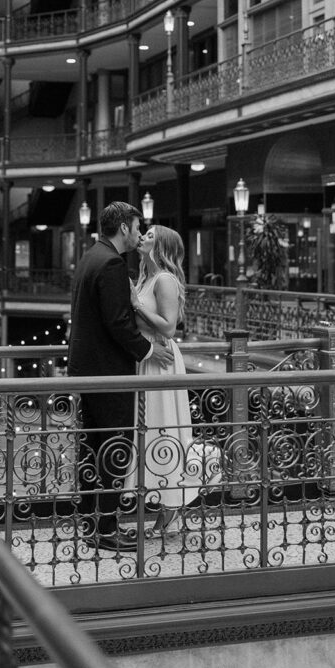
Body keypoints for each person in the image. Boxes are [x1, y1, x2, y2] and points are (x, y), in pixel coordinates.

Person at [68, 201, 173, 551]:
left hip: (87, 370)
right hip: (108, 372)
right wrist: (147, 351)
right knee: (114, 446)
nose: (139, 231)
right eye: (136, 225)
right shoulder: (112, 263)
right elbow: (117, 322)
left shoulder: (90, 256)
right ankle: (106, 528)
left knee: (92, 447)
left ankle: (91, 522)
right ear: (124, 227)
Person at [125, 224, 203, 537]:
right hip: (147, 358)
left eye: (150, 235)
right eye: (142, 233)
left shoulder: (165, 279)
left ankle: (171, 508)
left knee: (164, 428)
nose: (142, 236)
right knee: (148, 429)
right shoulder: (144, 276)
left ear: (162, 247)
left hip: (162, 360)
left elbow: (169, 327)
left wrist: (136, 303)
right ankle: (162, 504)